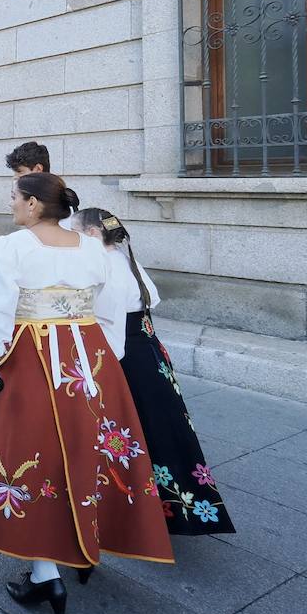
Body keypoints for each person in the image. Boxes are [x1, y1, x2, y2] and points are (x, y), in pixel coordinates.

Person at [0, 172, 172, 614]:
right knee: (89, 450)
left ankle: (46, 571)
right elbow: (112, 305)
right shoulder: (91, 247)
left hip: (32, 357)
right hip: (90, 361)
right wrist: (105, 358)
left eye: (14, 198)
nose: (11, 204)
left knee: (34, 454)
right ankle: (82, 546)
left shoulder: (12, 246)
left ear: (32, 204)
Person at [77, 208, 235, 536]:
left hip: (128, 356)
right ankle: (174, 506)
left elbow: (109, 326)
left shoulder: (106, 265)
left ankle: (146, 509)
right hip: (148, 352)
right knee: (161, 428)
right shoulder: (124, 259)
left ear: (92, 234)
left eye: (77, 232)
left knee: (139, 430)